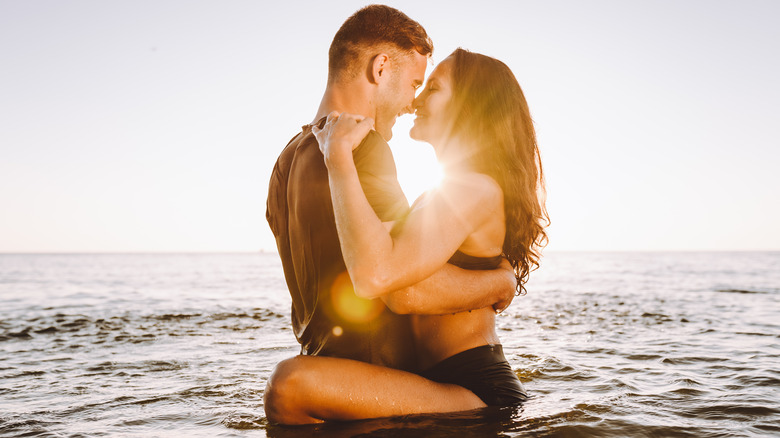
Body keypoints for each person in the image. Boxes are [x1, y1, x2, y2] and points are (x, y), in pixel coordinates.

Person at [264, 48, 548, 424]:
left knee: (290, 384)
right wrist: (498, 282)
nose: (415, 100)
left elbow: (391, 284)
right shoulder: (442, 194)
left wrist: (338, 155)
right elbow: (396, 274)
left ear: (472, 106)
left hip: (478, 393)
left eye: (433, 89)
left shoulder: (475, 188)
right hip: (439, 384)